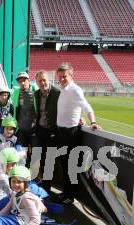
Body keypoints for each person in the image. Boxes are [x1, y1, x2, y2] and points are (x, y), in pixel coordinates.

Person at [55, 63, 102, 204]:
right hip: (61, 132)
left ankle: (70, 197)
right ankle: (66, 193)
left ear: (71, 76)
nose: (62, 79)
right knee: (64, 164)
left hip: (71, 133)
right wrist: (78, 116)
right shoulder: (62, 89)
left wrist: (93, 122)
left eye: (65, 76)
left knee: (71, 166)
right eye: (60, 76)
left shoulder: (76, 90)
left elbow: (87, 106)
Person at [33, 70, 60, 192]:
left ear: (48, 80)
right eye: (40, 81)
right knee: (38, 157)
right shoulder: (37, 94)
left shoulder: (57, 93)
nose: (42, 82)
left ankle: (47, 188)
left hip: (52, 132)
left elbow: (70, 106)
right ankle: (39, 183)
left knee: (49, 160)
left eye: (44, 80)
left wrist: (79, 117)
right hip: (40, 131)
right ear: (37, 83)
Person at [12, 71, 37, 151]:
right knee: (20, 147)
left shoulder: (36, 91)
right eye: (20, 81)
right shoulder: (16, 93)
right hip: (21, 125)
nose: (22, 83)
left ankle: (34, 161)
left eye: (24, 80)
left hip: (34, 125)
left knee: (36, 147)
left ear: (28, 80)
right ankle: (22, 161)